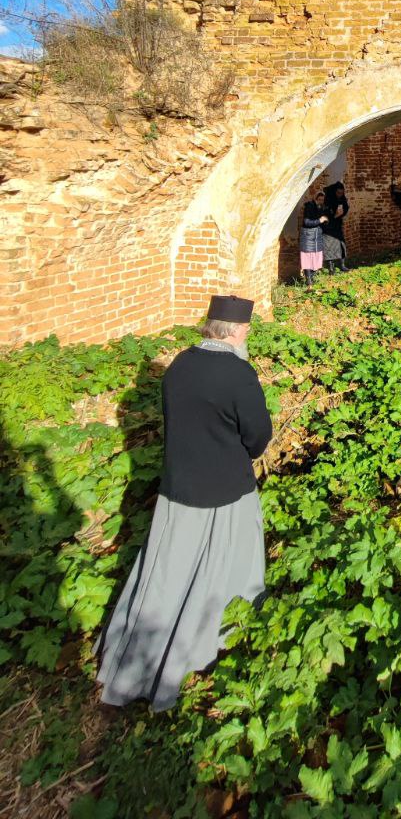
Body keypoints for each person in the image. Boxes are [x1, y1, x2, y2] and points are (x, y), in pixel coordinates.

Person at [96, 294, 272, 711]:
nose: (247, 336)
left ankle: (133, 659)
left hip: (177, 491)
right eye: (247, 330)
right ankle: (209, 647)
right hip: (225, 493)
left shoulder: (179, 365)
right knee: (226, 571)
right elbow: (258, 437)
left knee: (166, 575)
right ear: (236, 331)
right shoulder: (238, 374)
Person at [321, 181, 350, 272]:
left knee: (341, 244)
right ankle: (331, 268)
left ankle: (342, 265)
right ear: (334, 191)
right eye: (338, 193)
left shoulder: (342, 198)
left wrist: (342, 212)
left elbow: (346, 207)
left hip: (337, 225)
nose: (340, 195)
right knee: (329, 247)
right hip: (328, 227)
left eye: (341, 193)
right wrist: (333, 214)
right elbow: (324, 213)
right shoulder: (328, 199)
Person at [299, 198, 326, 285]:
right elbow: (306, 222)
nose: (321, 201)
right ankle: (309, 281)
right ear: (316, 198)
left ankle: (311, 278)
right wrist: (319, 220)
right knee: (307, 259)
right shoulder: (309, 207)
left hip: (316, 237)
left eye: (322, 200)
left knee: (315, 258)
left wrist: (324, 221)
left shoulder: (320, 207)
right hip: (308, 237)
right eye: (320, 199)